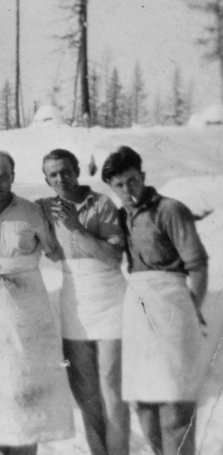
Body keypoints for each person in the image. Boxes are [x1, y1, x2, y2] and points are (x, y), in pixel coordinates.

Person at [0, 151, 73, 455]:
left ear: (13, 175)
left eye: (3, 175)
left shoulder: (31, 211)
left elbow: (56, 252)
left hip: (31, 315)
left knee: (28, 394)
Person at [102, 146, 208, 455]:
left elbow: (198, 265)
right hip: (139, 310)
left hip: (173, 306)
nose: (127, 190)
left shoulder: (170, 210)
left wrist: (191, 310)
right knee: (145, 405)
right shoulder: (121, 217)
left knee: (175, 407)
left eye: (132, 181)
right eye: (118, 185)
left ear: (143, 176)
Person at [39, 149, 129, 455]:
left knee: (112, 390)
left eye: (66, 171)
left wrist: (77, 227)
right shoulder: (45, 208)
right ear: (47, 180)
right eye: (53, 174)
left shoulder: (101, 203)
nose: (60, 178)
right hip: (74, 304)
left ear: (77, 171)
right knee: (87, 393)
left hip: (109, 301)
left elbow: (114, 258)